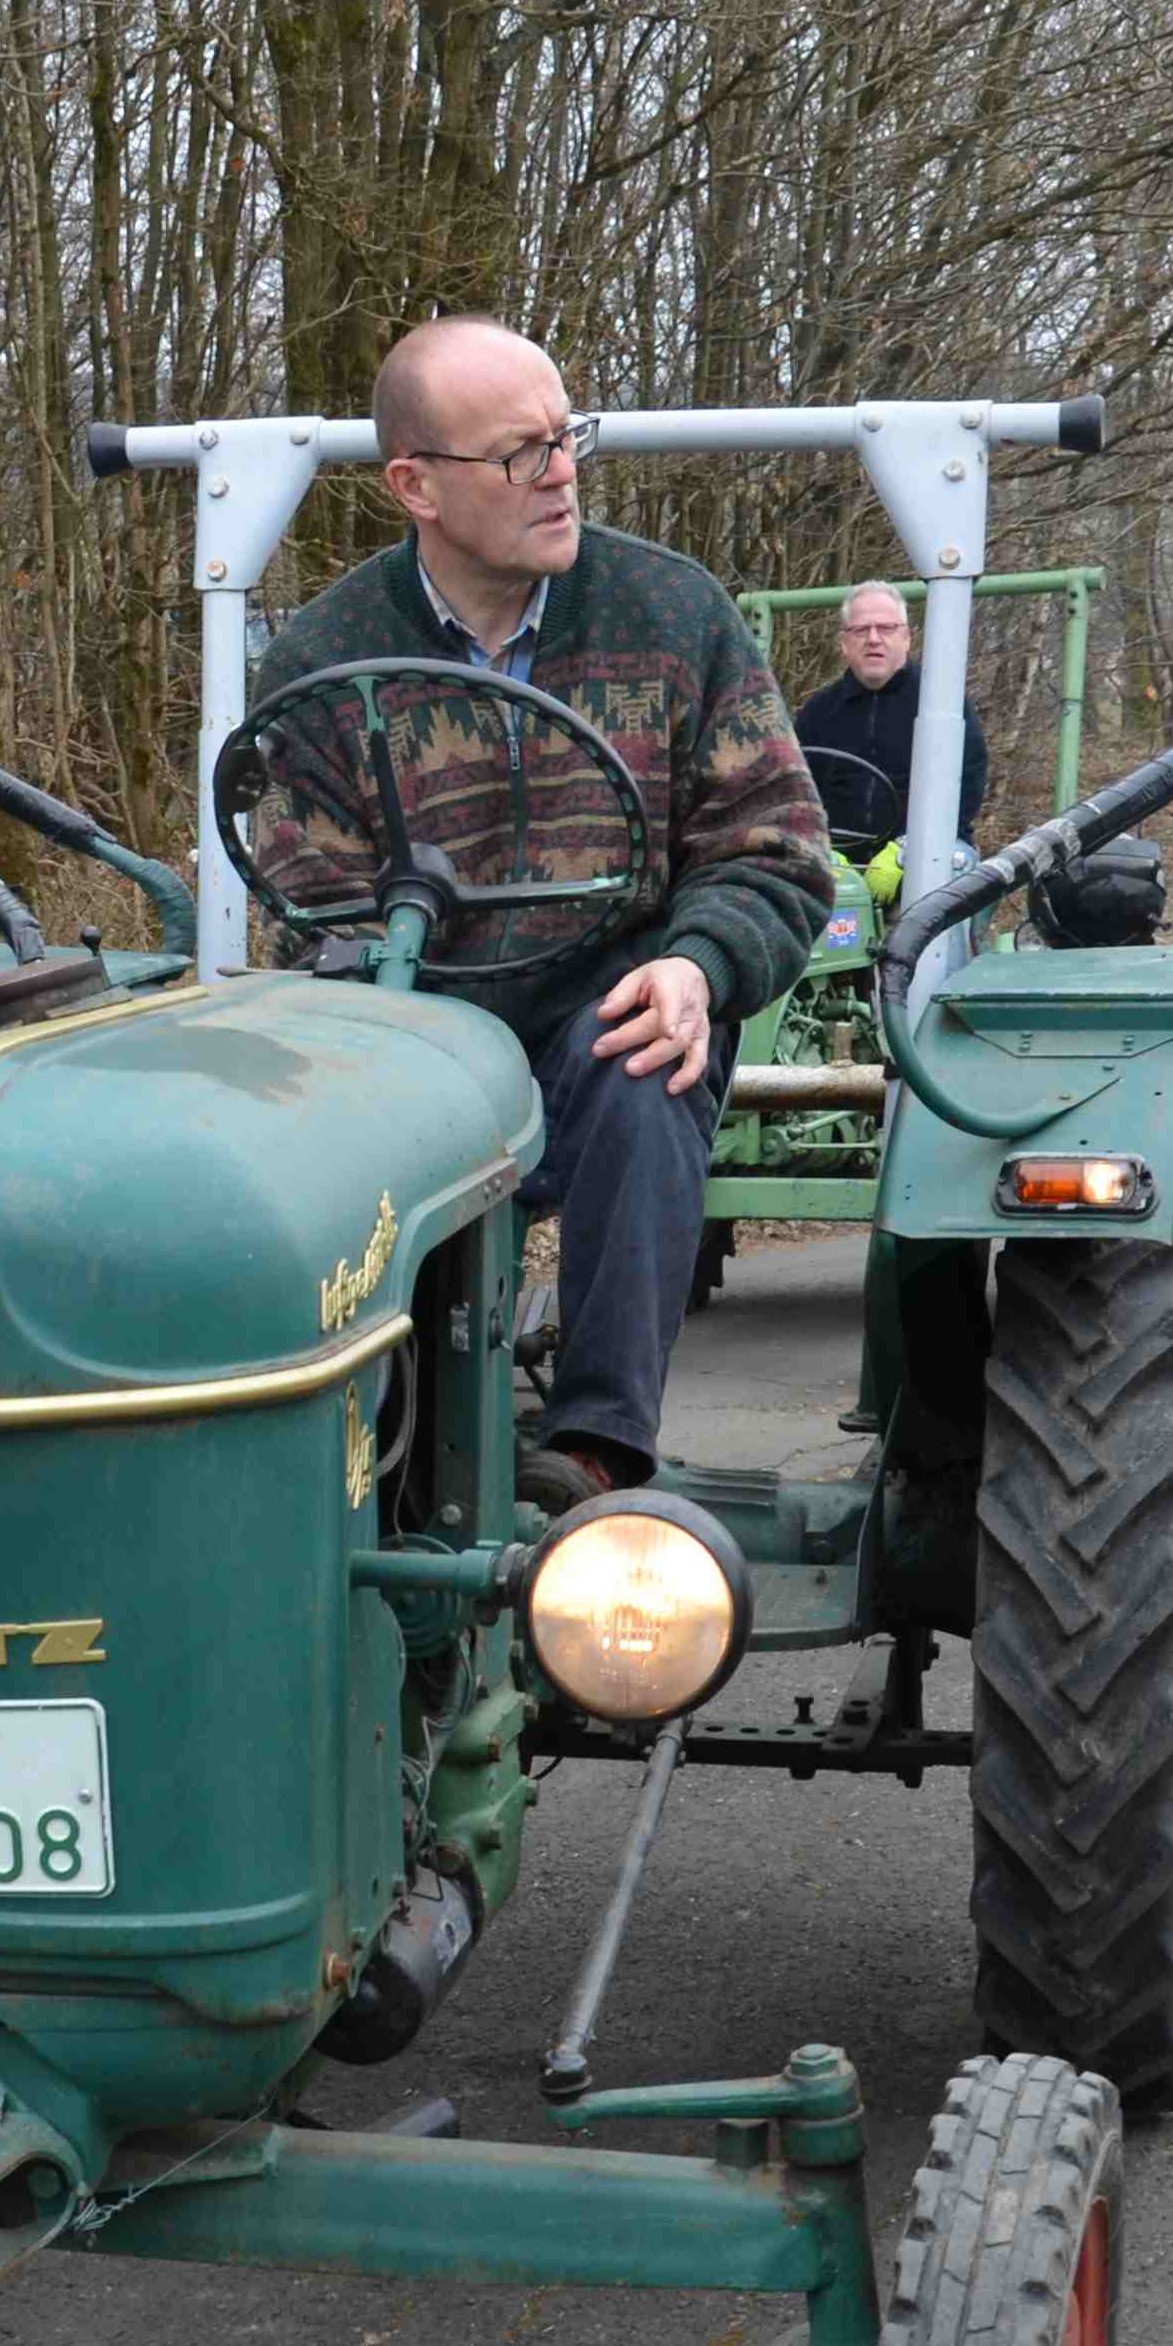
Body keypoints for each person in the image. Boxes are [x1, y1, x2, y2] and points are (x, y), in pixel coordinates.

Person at [248, 315, 835, 1511]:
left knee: (640, 1064)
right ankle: (357, 1465)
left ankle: (597, 1457)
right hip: (413, 1032)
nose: (560, 470)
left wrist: (696, 967)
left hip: (607, 1001)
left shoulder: (672, 615)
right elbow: (307, 901)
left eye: (566, 436)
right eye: (519, 453)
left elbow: (772, 851)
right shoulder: (325, 659)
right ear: (413, 484)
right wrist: (373, 998)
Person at [788, 579, 992, 851]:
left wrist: (912, 850)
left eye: (886, 628)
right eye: (861, 629)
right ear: (844, 643)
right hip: (838, 862)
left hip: (931, 853)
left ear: (906, 638)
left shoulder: (943, 706)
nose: (873, 639)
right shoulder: (817, 712)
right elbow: (797, 793)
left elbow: (967, 786)